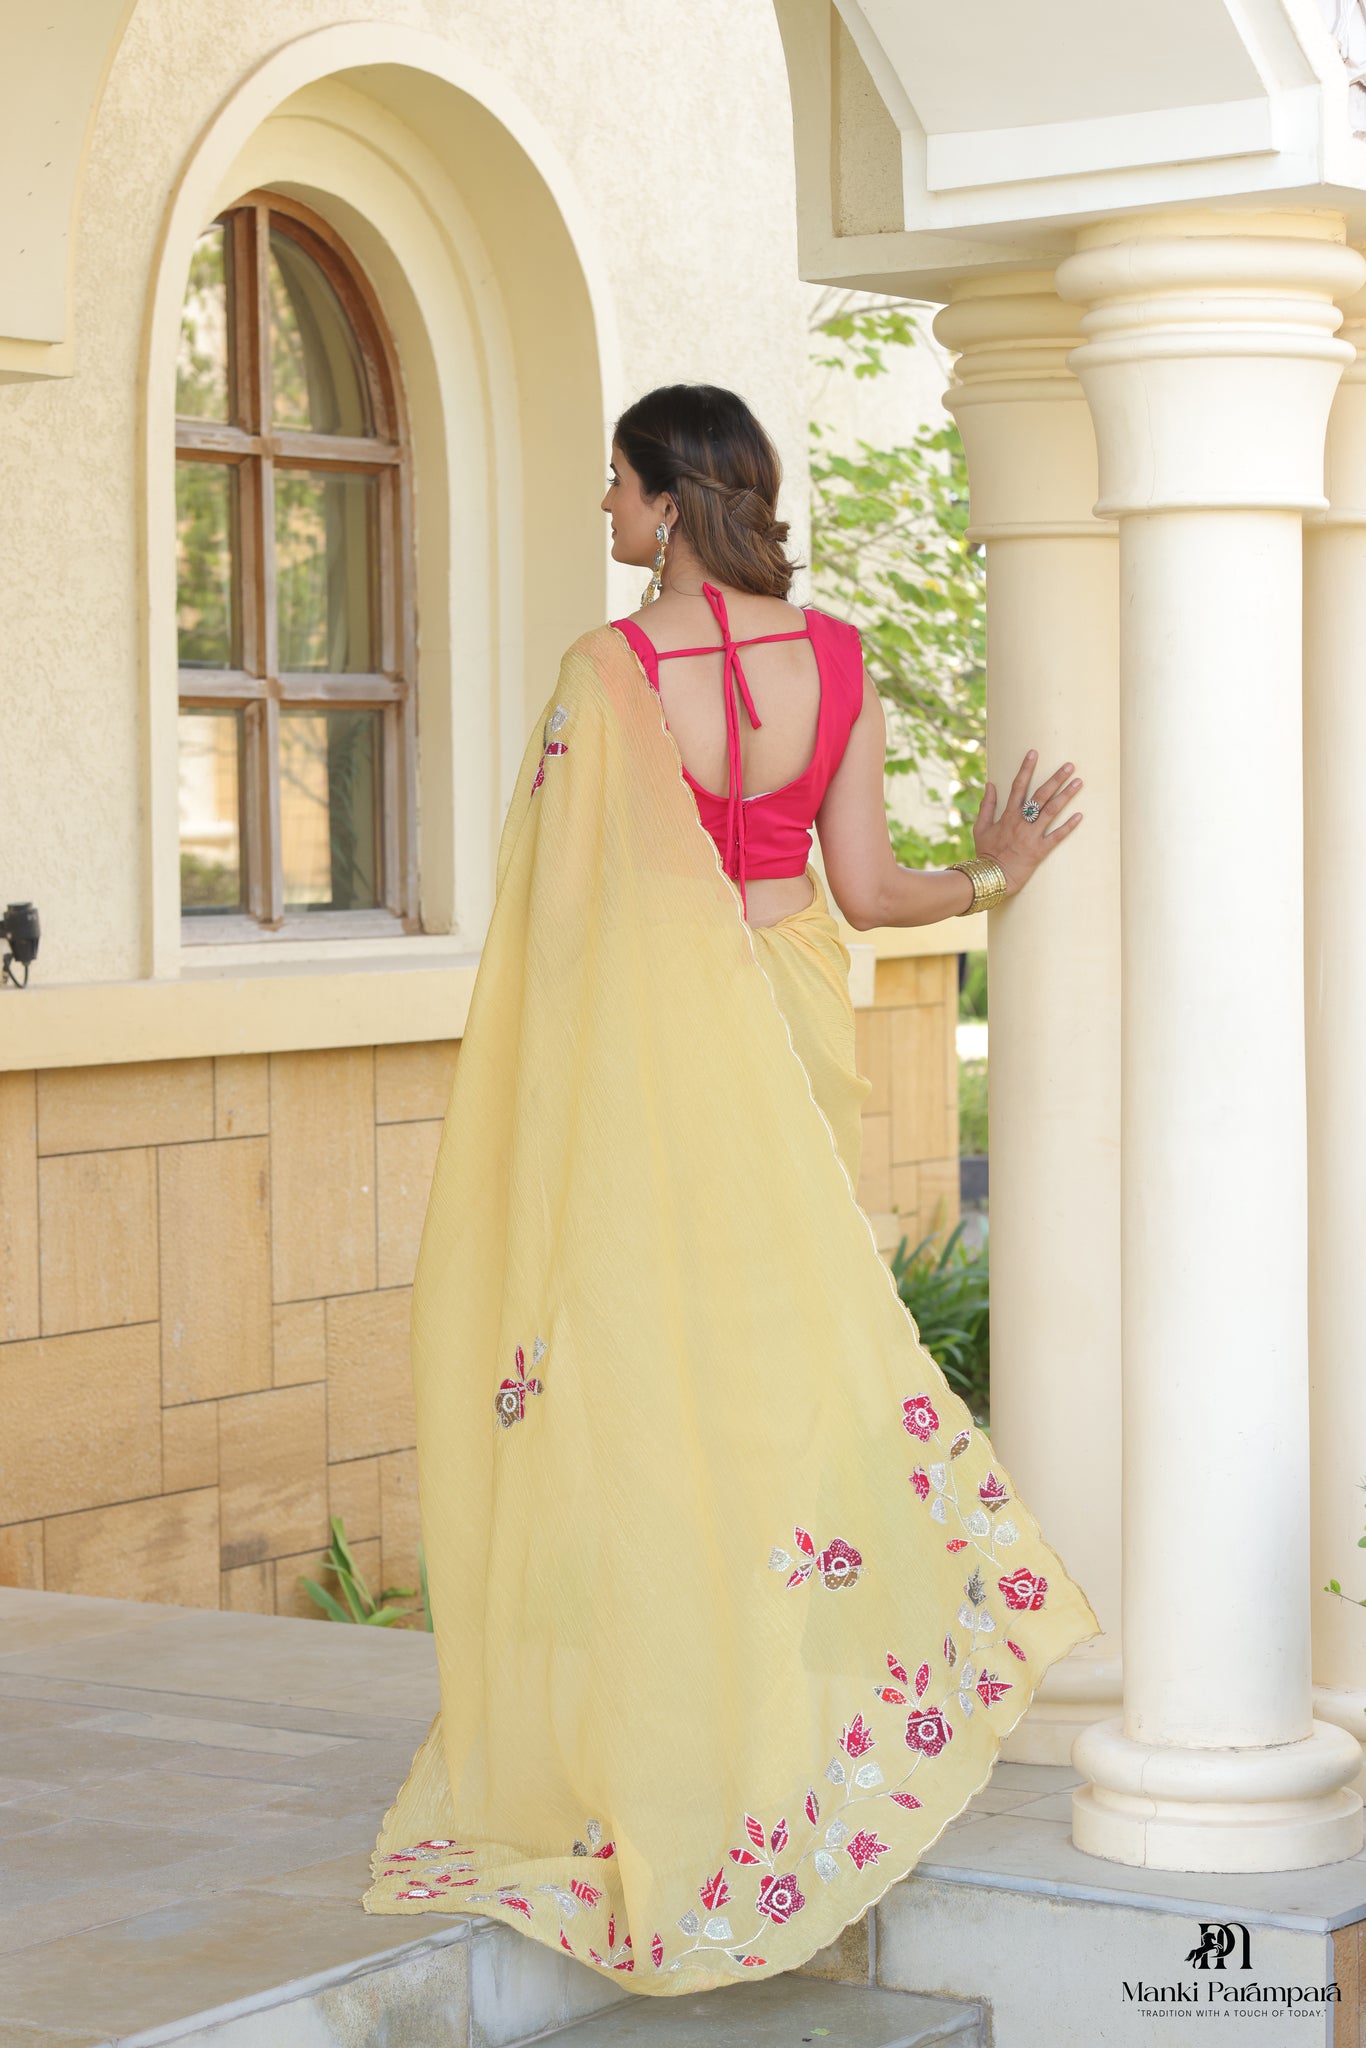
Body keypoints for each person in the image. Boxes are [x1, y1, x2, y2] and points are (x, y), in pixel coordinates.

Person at [362, 384, 1100, 1996]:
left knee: (643, 1393)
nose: (601, 513)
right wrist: (998, 871)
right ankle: (795, 1730)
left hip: (648, 1058)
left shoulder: (605, 677)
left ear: (669, 498)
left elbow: (565, 928)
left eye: (612, 485)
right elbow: (866, 888)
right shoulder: (832, 659)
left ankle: (675, 1749)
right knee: (778, 1376)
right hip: (784, 1019)